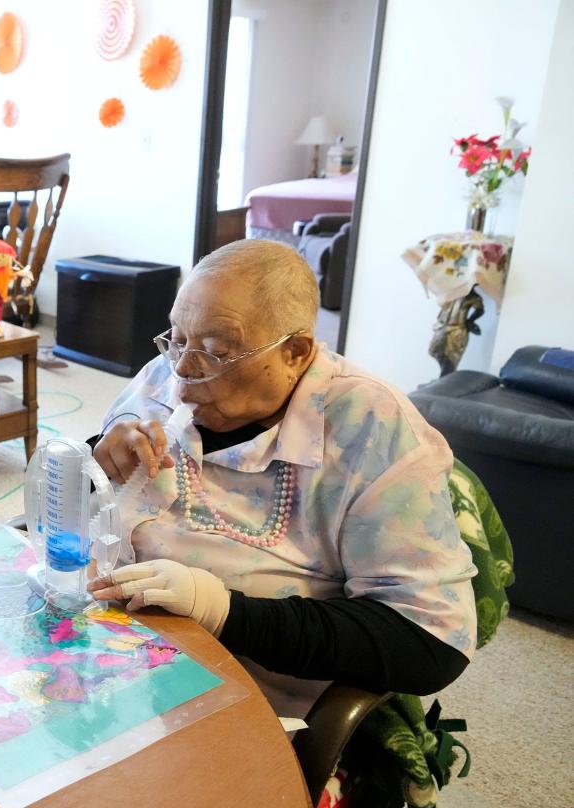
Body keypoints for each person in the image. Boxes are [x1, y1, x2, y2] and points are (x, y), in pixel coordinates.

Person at [86, 240, 477, 719]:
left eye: (216, 352)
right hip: (116, 655)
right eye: (176, 339)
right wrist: (98, 460)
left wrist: (222, 610)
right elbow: (93, 490)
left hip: (249, 699)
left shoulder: (371, 429)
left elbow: (431, 642)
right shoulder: (165, 373)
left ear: (295, 352)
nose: (183, 374)